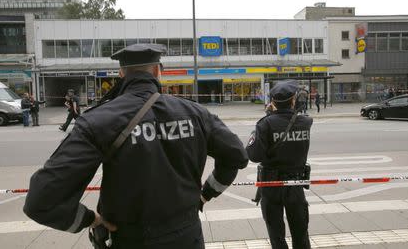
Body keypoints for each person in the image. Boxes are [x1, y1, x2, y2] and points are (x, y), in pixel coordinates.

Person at [23, 43, 248, 248]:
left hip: (130, 239)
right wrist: (205, 194)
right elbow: (237, 156)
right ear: (159, 70)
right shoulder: (195, 113)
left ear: (121, 74)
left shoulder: (98, 120)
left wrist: (90, 219)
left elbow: (41, 201)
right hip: (187, 237)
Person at [246, 80, 313, 249]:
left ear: (272, 102)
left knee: (277, 236)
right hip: (296, 185)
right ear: (293, 100)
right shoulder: (305, 122)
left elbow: (253, 155)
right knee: (301, 234)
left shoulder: (265, 124)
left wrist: (268, 118)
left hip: (271, 186)